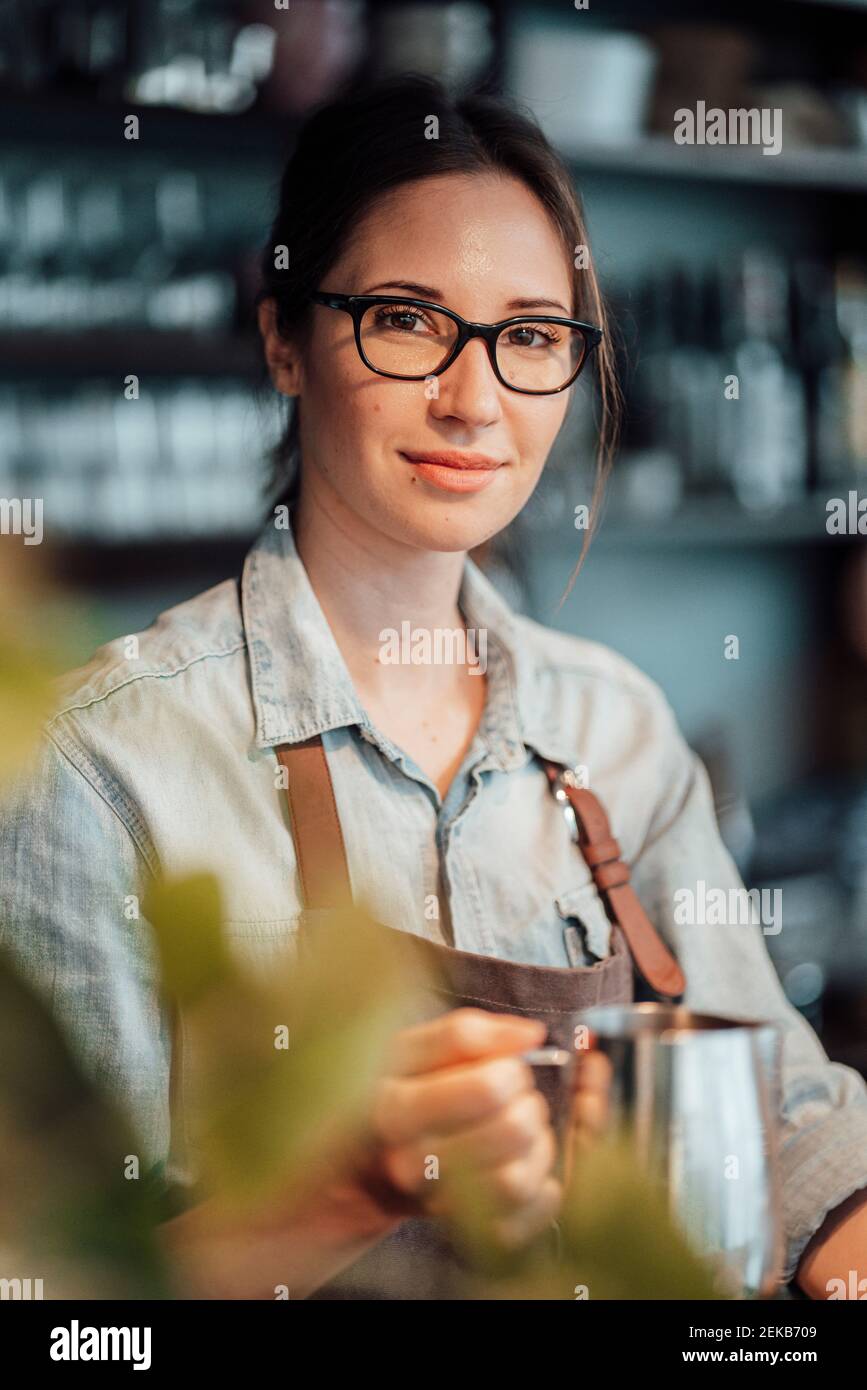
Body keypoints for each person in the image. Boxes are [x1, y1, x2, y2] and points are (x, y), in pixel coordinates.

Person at [2, 75, 866, 1300]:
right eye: (406, 320)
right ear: (283, 341)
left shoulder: (614, 726)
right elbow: (63, 1299)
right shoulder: (105, 765)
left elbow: (788, 1119)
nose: (473, 401)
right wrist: (358, 1179)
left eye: (527, 337)